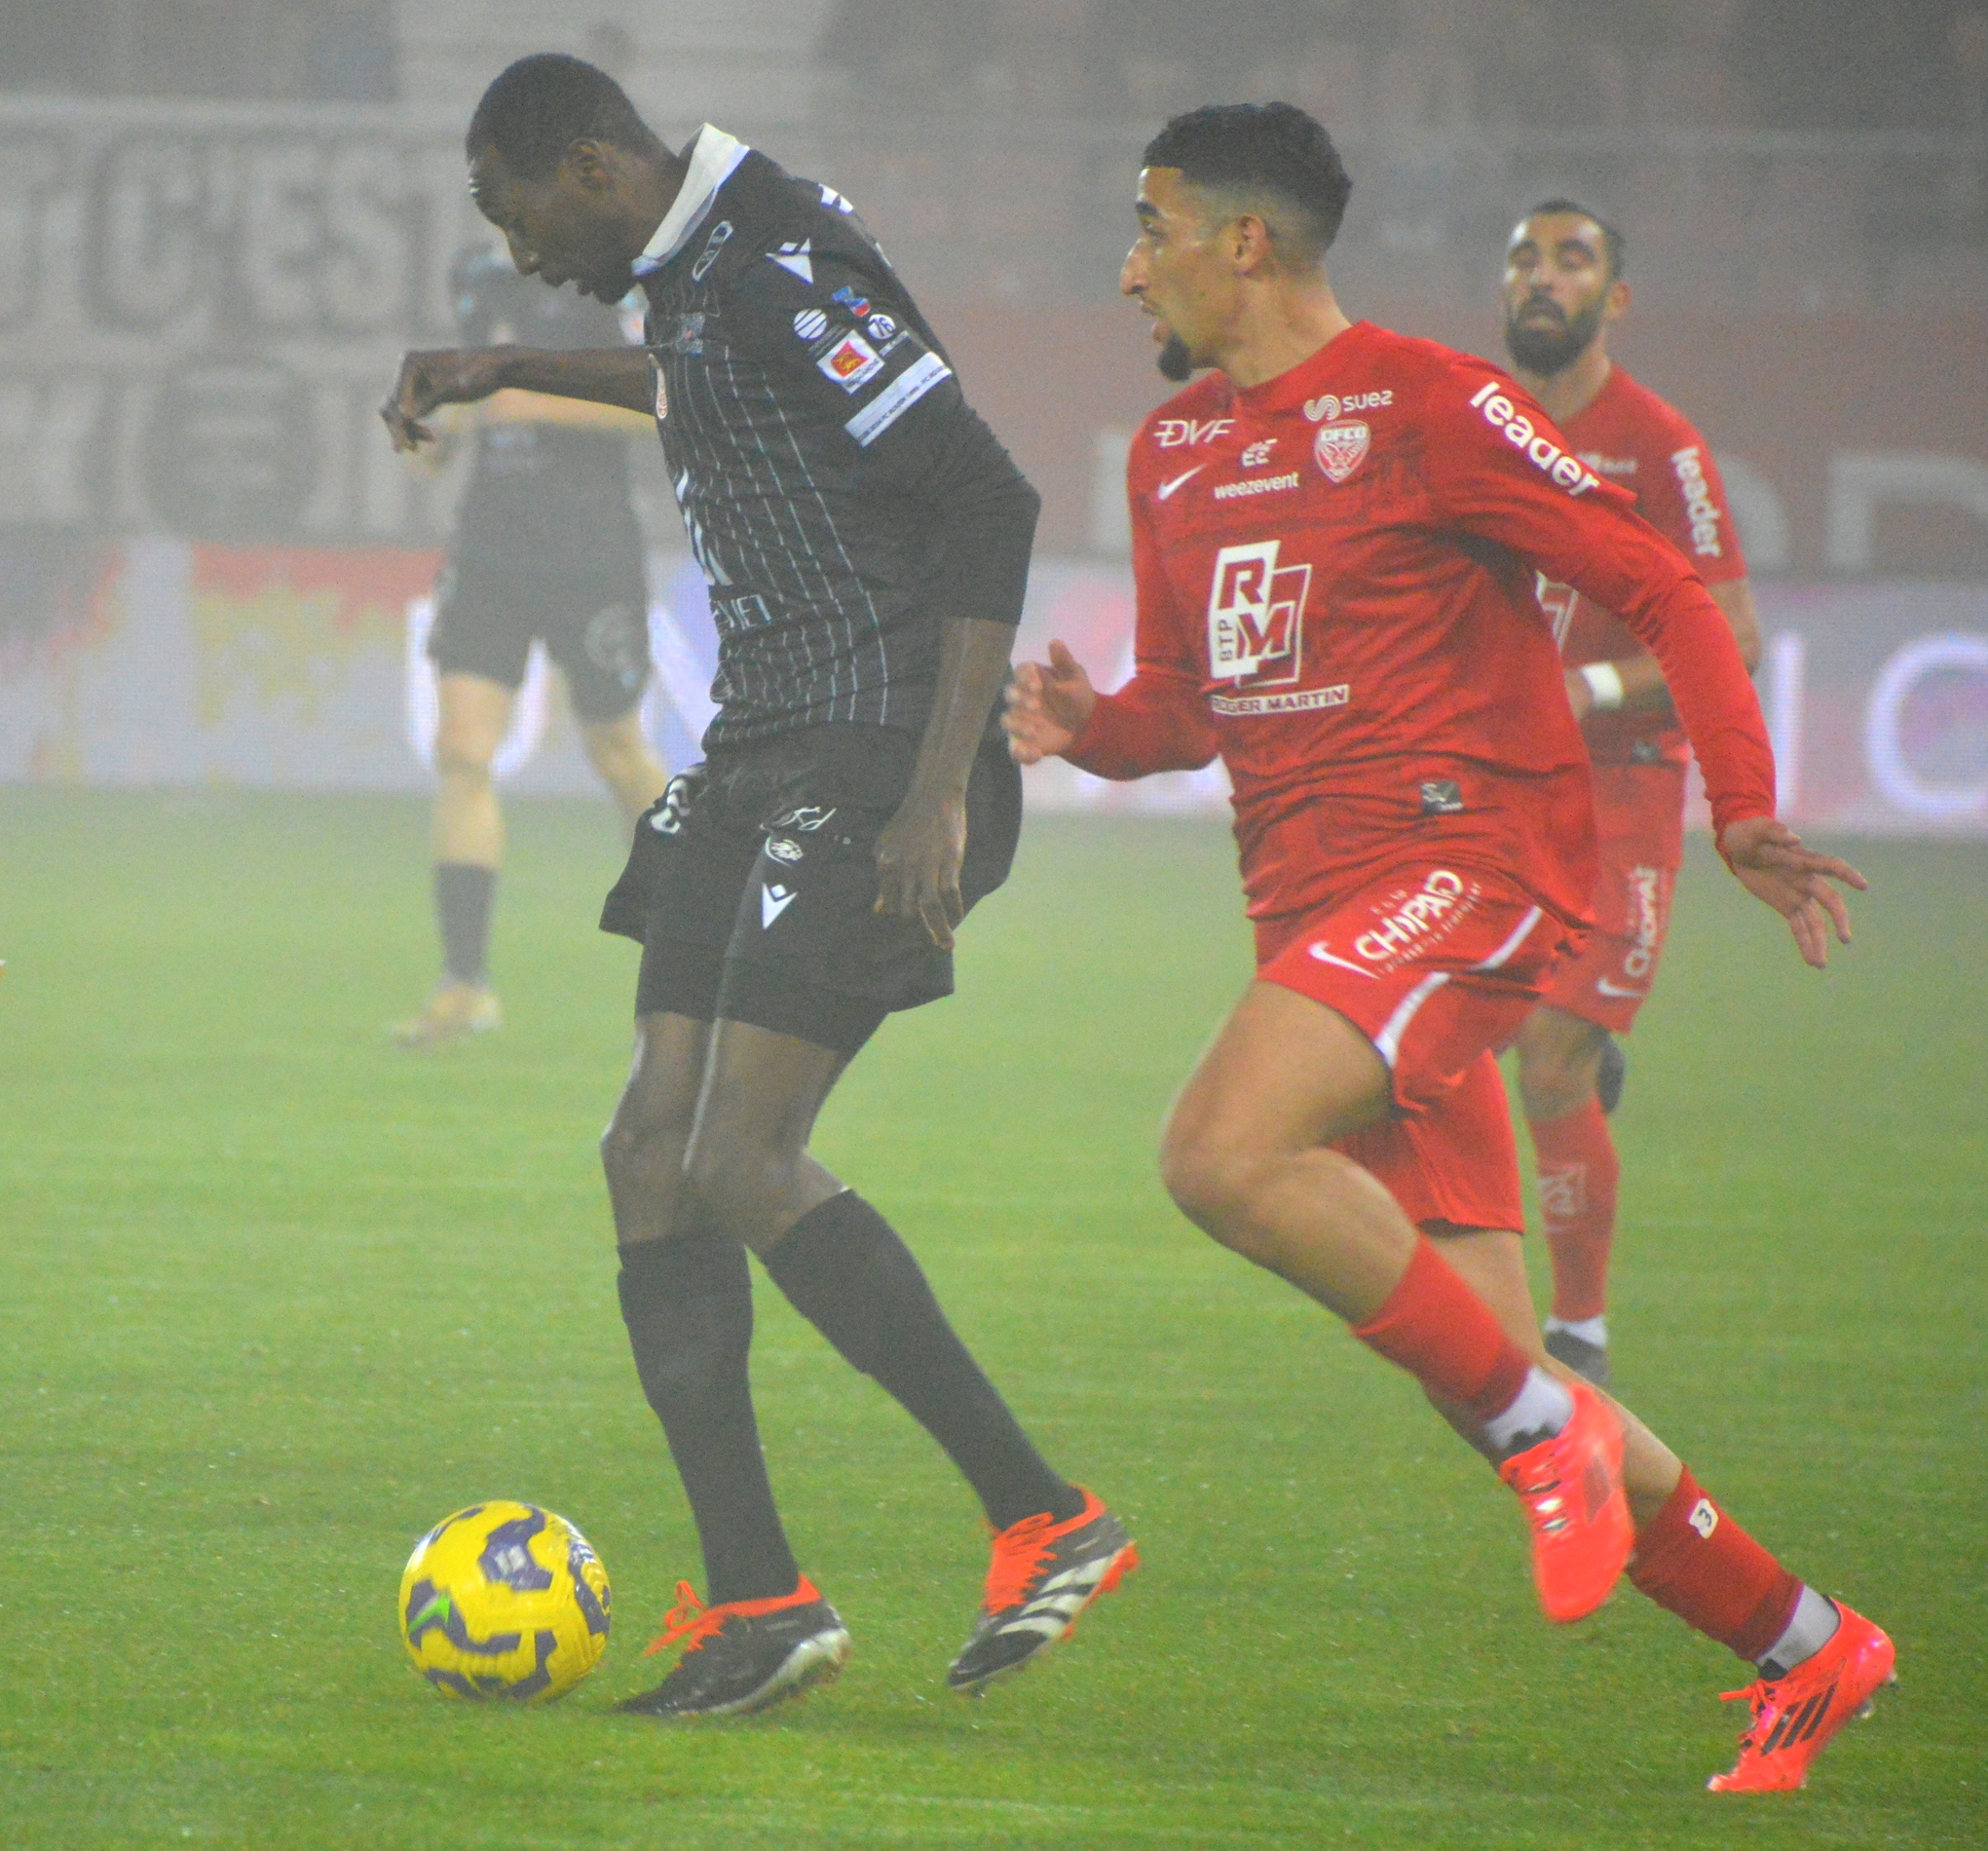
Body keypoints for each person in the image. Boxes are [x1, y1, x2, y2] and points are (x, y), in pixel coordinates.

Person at [1005, 103, 1891, 1794]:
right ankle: (1808, 1643)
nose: (1128, 271)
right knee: (1494, 1372)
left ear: (1244, 242)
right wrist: (1092, 728)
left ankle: (1550, 1439)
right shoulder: (1174, 450)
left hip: (1466, 871)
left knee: (1217, 1154)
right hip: (1321, 918)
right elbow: (1189, 704)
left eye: (1151, 230)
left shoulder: (1431, 406)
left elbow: (1667, 589)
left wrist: (1737, 806)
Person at [382, 54, 1135, 1718]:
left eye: (518, 215)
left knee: (738, 1154)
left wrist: (936, 791)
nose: (519, 250)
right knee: (648, 1152)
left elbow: (986, 494)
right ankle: (761, 1604)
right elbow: (703, 385)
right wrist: (510, 365)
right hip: (760, 746)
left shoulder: (782, 259)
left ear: (593, 167)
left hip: (877, 752)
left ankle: (1045, 1514)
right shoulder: (696, 271)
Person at [1500, 200, 1761, 1387]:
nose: (1540, 277)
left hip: (1622, 787)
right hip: (1495, 784)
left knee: (1549, 1060)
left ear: (1613, 298)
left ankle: (1580, 1335)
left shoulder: (1656, 444)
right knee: (1453, 1042)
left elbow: (1732, 636)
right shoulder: (1480, 419)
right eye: (1524, 258)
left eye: (1570, 260)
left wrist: (1591, 687)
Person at [393, 246, 668, 1049]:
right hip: (489, 550)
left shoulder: (603, 280)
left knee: (618, 751)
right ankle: (463, 986)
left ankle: (688, 955)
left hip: (590, 552)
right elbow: (444, 437)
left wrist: (529, 400)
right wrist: (424, 424)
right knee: (461, 752)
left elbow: (661, 402)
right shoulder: (476, 280)